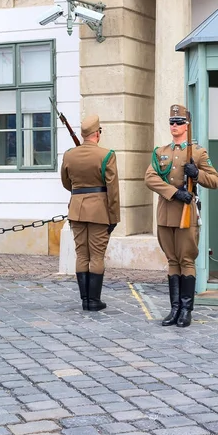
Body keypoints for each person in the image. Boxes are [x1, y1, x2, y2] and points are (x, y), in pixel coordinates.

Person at [145, 104, 218, 328]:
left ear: (187, 125)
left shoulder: (197, 152)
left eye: (179, 122)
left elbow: (215, 180)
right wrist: (175, 193)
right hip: (166, 213)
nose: (174, 126)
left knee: (186, 260)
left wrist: (197, 174)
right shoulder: (161, 152)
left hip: (187, 215)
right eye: (171, 122)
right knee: (172, 261)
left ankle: (186, 310)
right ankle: (174, 309)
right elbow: (150, 178)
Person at [61, 115, 120, 311]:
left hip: (76, 210)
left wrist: (80, 194)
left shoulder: (69, 155)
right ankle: (94, 301)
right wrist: (114, 217)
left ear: (82, 134)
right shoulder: (107, 155)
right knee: (96, 256)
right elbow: (113, 191)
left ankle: (85, 299)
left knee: (81, 255)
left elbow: (66, 183)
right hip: (99, 212)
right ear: (97, 133)